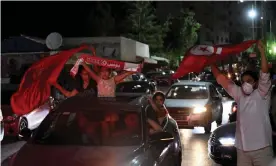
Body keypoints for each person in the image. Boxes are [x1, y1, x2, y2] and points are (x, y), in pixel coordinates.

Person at [211, 40, 274, 166]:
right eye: (243, 81)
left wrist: (262, 52)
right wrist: (210, 62)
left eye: (249, 81)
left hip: (262, 149)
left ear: (256, 83)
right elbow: (222, 80)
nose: (246, 84)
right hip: (242, 150)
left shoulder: (262, 94)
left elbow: (265, 73)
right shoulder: (239, 94)